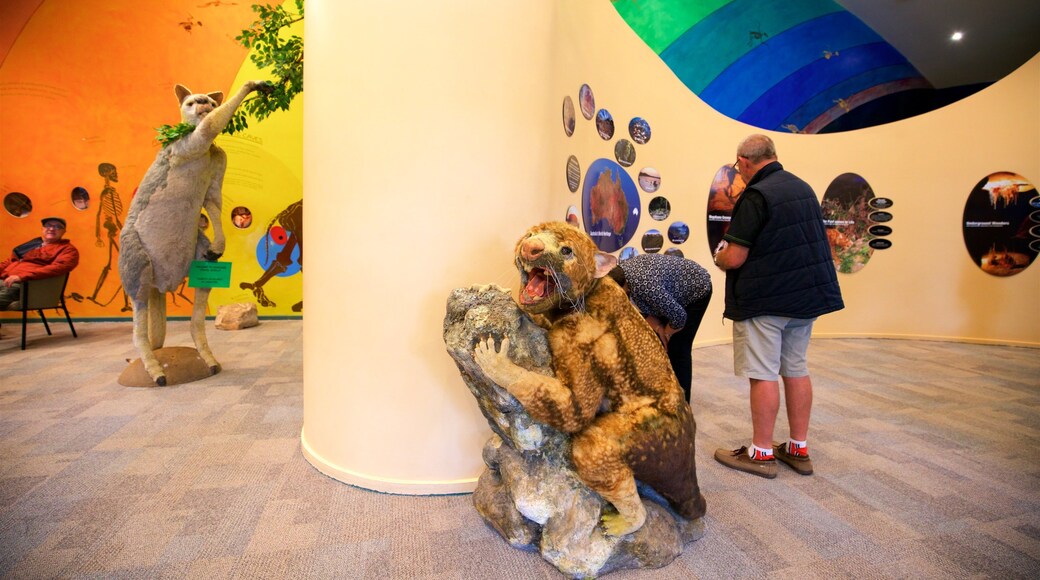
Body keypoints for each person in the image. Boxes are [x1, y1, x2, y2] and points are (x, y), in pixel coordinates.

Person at [712, 134, 843, 479]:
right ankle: (798, 448)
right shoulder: (802, 189)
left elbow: (736, 256)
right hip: (806, 299)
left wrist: (720, 257)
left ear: (743, 162)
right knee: (796, 368)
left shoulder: (756, 195)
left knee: (763, 374)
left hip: (766, 301)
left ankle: (761, 452)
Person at [607, 252, 712, 403]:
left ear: (621, 287)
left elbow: (679, 317)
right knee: (656, 344)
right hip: (669, 294)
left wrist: (667, 334)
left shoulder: (645, 286)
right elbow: (642, 312)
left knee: (678, 349)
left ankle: (681, 404)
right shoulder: (621, 275)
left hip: (696, 289)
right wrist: (659, 330)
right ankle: (662, 395)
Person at [0, 217, 80, 309]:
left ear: (64, 231)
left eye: (58, 227)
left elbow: (57, 268)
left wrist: (21, 276)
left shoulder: (67, 249)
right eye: (48, 225)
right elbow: (10, 262)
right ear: (42, 229)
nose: (51, 228)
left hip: (28, 285)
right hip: (5, 280)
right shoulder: (32, 245)